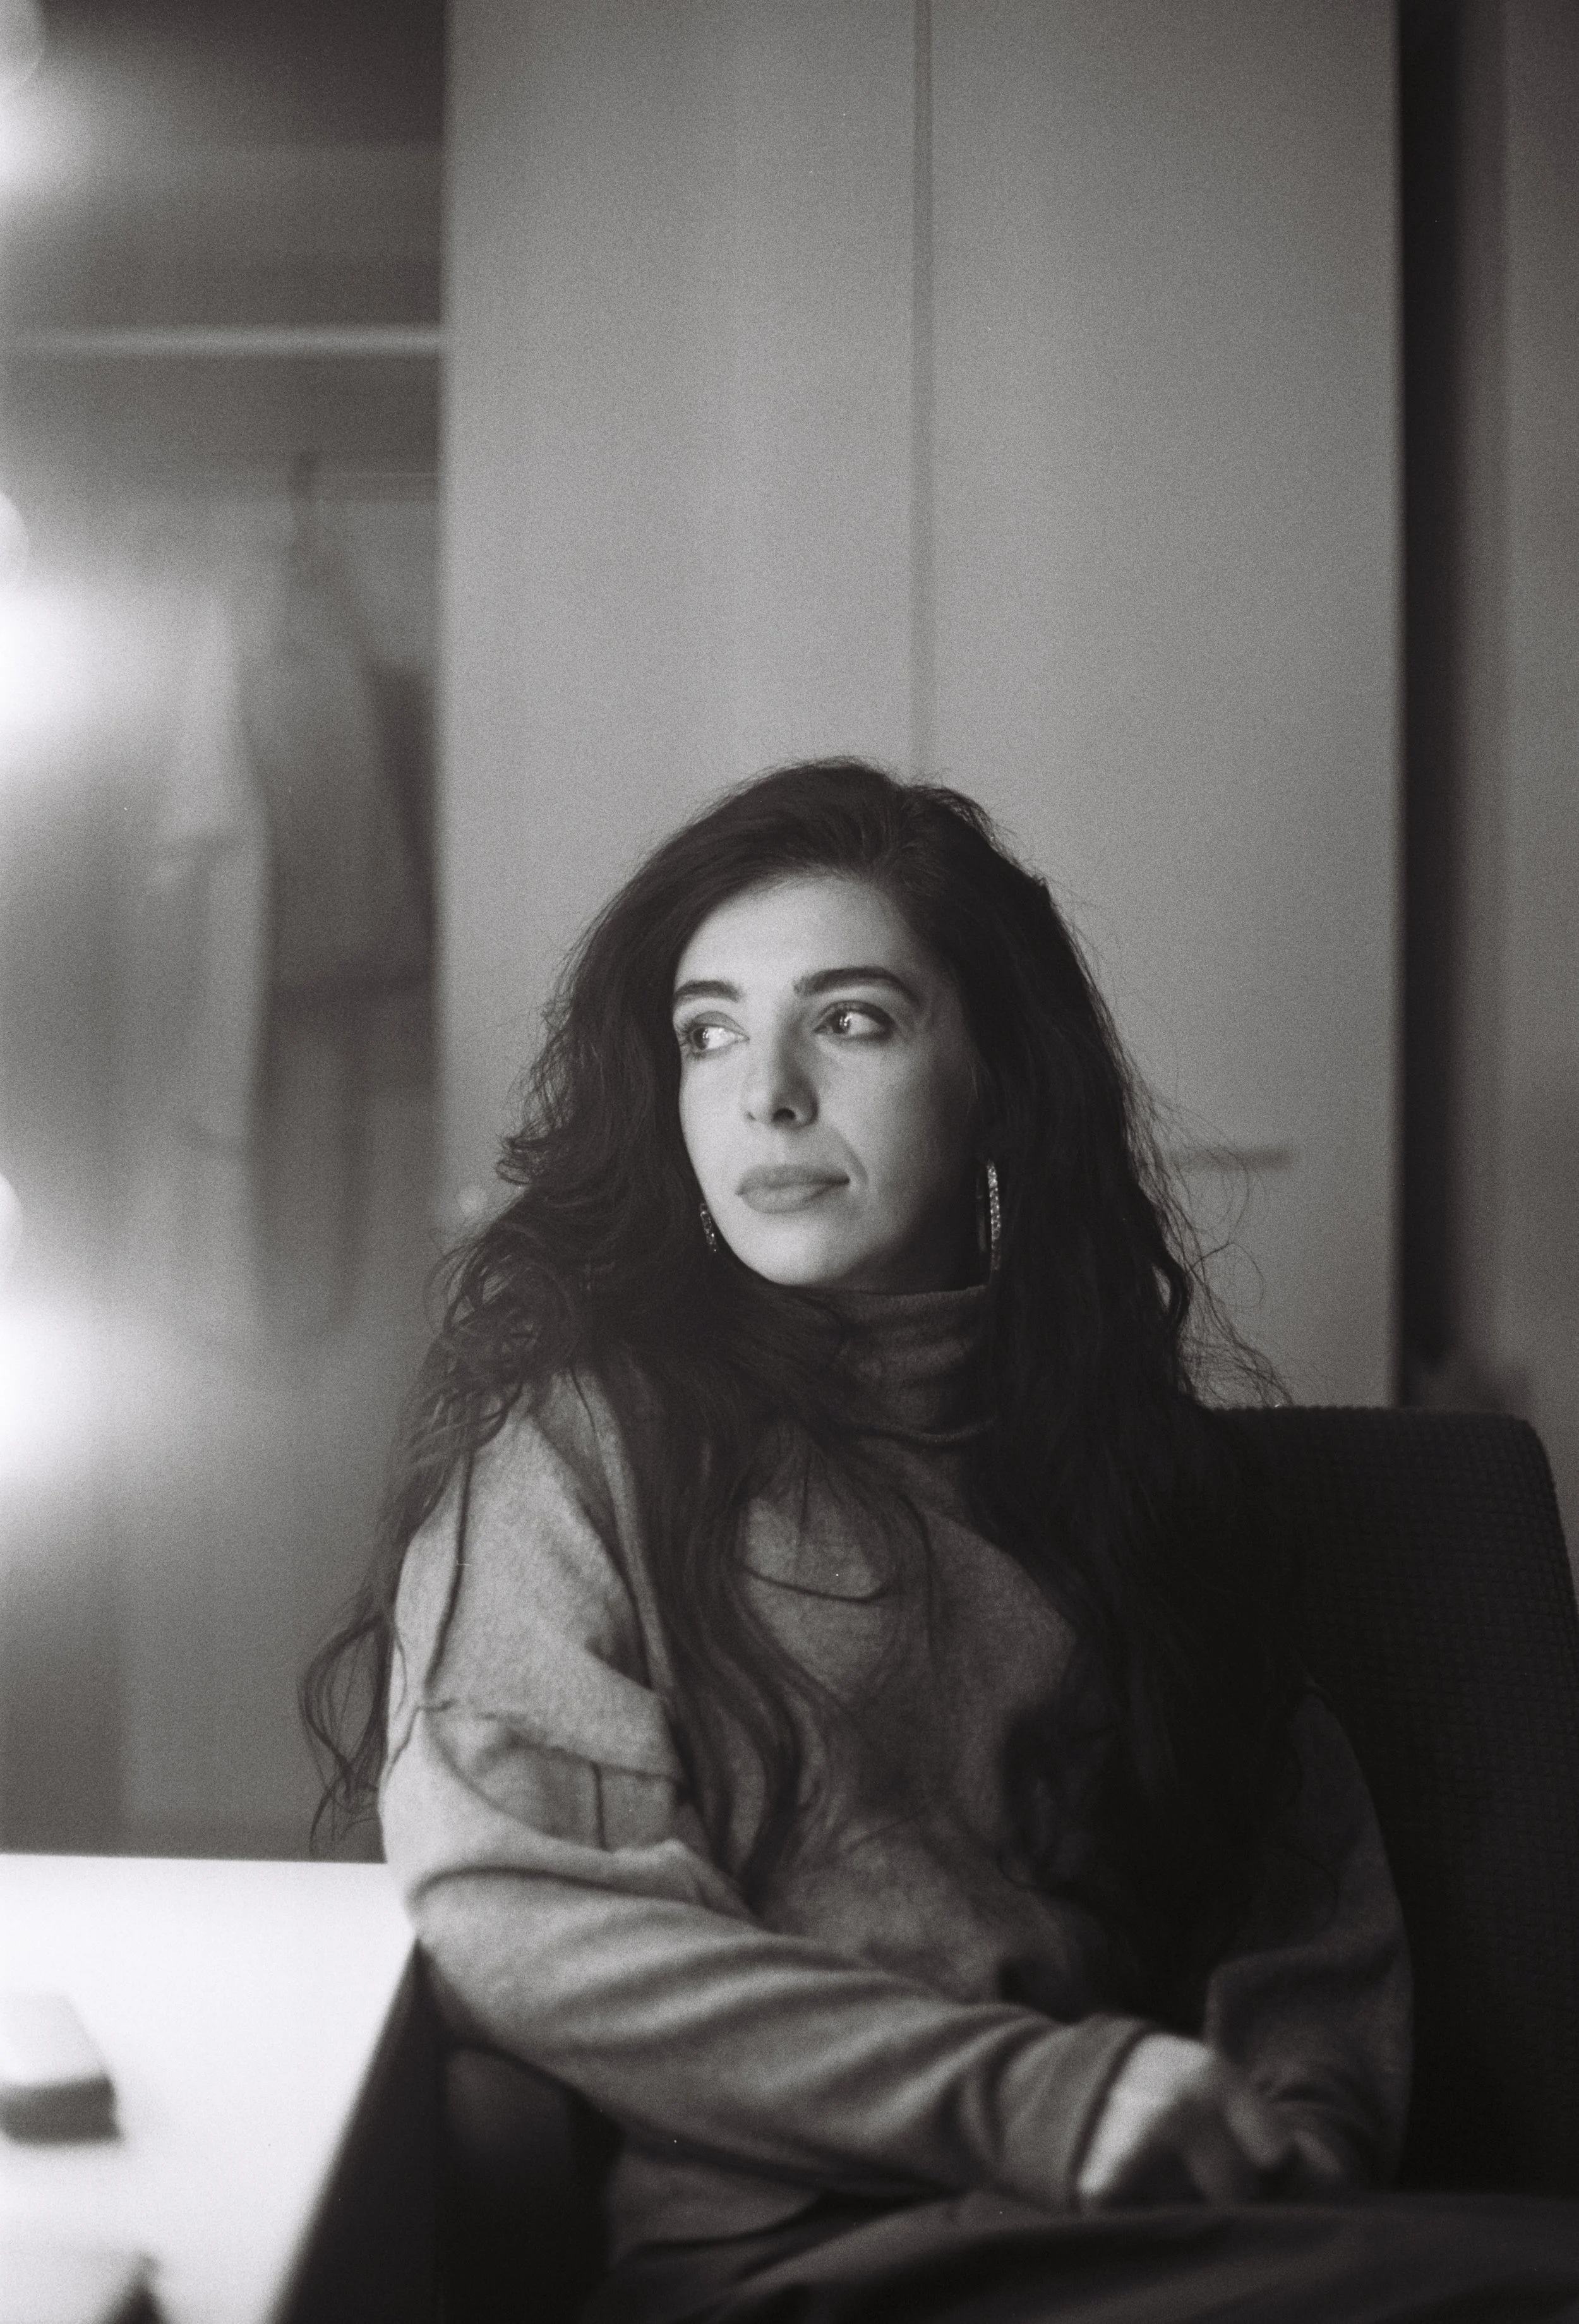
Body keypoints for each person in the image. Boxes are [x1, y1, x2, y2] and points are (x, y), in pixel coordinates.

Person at [306, 761, 1579, 2321]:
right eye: (707, 1033)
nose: (764, 1093)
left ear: (992, 1079)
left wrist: (1292, 2144)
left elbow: (1300, 1909)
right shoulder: (585, 1449)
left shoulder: (1135, 1478)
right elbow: (527, 1917)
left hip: (1180, 2245)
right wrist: (1046, 2100)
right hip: (800, 2266)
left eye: (849, 1020)